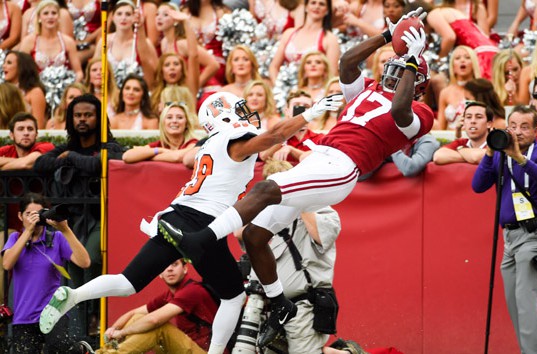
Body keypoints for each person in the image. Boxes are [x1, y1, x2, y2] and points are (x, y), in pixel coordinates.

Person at [157, 7, 433, 348]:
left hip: (341, 167)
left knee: (265, 188)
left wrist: (412, 60)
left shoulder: (422, 112)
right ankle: (281, 304)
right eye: (391, 66)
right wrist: (387, 38)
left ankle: (201, 239)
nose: (392, 73)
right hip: (321, 158)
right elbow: (347, 61)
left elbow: (399, 111)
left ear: (418, 83)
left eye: (401, 70)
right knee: (257, 236)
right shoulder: (367, 89)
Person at [38, 91, 343, 354]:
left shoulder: (211, 144)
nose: (246, 113)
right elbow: (272, 137)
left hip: (175, 215)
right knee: (234, 297)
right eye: (237, 110)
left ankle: (74, 295)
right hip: (204, 224)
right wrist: (311, 114)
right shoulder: (234, 139)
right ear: (223, 117)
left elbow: (267, 147)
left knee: (127, 283)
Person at [33, 94, 124, 338]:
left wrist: (72, 159)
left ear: (98, 118)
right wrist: (70, 155)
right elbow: (40, 165)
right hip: (70, 222)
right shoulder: (66, 146)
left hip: (99, 220)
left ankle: (95, 315)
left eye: (88, 115)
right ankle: (82, 326)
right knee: (73, 272)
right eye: (78, 115)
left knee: (92, 260)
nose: (82, 119)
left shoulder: (108, 146)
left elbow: (103, 165)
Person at [472, 105, 537, 354]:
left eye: (524, 127)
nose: (518, 132)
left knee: (526, 302)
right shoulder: (500, 155)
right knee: (515, 303)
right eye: (513, 126)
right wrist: (490, 153)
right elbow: (478, 186)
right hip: (510, 237)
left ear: (535, 130)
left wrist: (520, 158)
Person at [239, 159, 341, 353]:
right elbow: (239, 232)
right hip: (270, 307)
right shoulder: (269, 218)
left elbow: (321, 234)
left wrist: (298, 199)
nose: (275, 194)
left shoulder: (318, 208)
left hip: (303, 305)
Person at [2, 193, 91, 353]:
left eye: (39, 213)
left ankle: (79, 350)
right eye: (29, 214)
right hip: (24, 316)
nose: (34, 218)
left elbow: (85, 262)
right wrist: (27, 232)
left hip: (53, 311)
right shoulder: (15, 238)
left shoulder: (56, 239)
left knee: (56, 347)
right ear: (20, 216)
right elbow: (7, 264)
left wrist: (66, 230)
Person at [97, 259, 219, 353]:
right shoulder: (169, 294)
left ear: (185, 269)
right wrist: (114, 329)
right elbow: (133, 313)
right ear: (160, 274)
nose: (170, 269)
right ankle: (104, 350)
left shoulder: (192, 290)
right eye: (165, 266)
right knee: (138, 317)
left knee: (160, 328)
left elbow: (154, 320)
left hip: (207, 352)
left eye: (175, 264)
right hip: (186, 348)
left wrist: (122, 333)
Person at [268, 0, 340, 84]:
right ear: (306, 7)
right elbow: (274, 66)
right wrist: (278, 87)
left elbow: (332, 74)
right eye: (313, 3)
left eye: (322, 4)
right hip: (285, 89)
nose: (317, 7)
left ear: (327, 10)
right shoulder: (289, 33)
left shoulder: (329, 39)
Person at [94, 0, 157, 89]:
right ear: (112, 17)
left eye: (128, 14)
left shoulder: (145, 43)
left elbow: (153, 73)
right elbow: (94, 67)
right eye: (119, 14)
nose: (123, 18)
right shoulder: (104, 41)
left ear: (135, 17)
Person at [122, 101, 198, 164]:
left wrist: (148, 157)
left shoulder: (193, 143)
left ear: (186, 123)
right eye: (169, 117)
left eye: (179, 117)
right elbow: (127, 157)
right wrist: (160, 150)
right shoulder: (159, 145)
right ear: (163, 123)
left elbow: (177, 157)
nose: (174, 121)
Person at [436, 45, 480, 130]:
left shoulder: (482, 89)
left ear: (473, 63)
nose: (462, 60)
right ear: (453, 66)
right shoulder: (445, 92)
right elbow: (441, 127)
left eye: (467, 57)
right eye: (457, 58)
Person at [433, 101, 491, 165]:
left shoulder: (495, 144)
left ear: (489, 124)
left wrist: (460, 149)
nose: (473, 121)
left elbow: (476, 157)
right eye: (468, 117)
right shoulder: (461, 142)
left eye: (479, 117)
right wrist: (468, 157)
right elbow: (438, 156)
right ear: (463, 122)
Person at [2, 50, 47, 127]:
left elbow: (39, 127)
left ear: (21, 67)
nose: (4, 66)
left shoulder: (35, 92)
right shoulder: (3, 91)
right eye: (4, 62)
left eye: (9, 63)